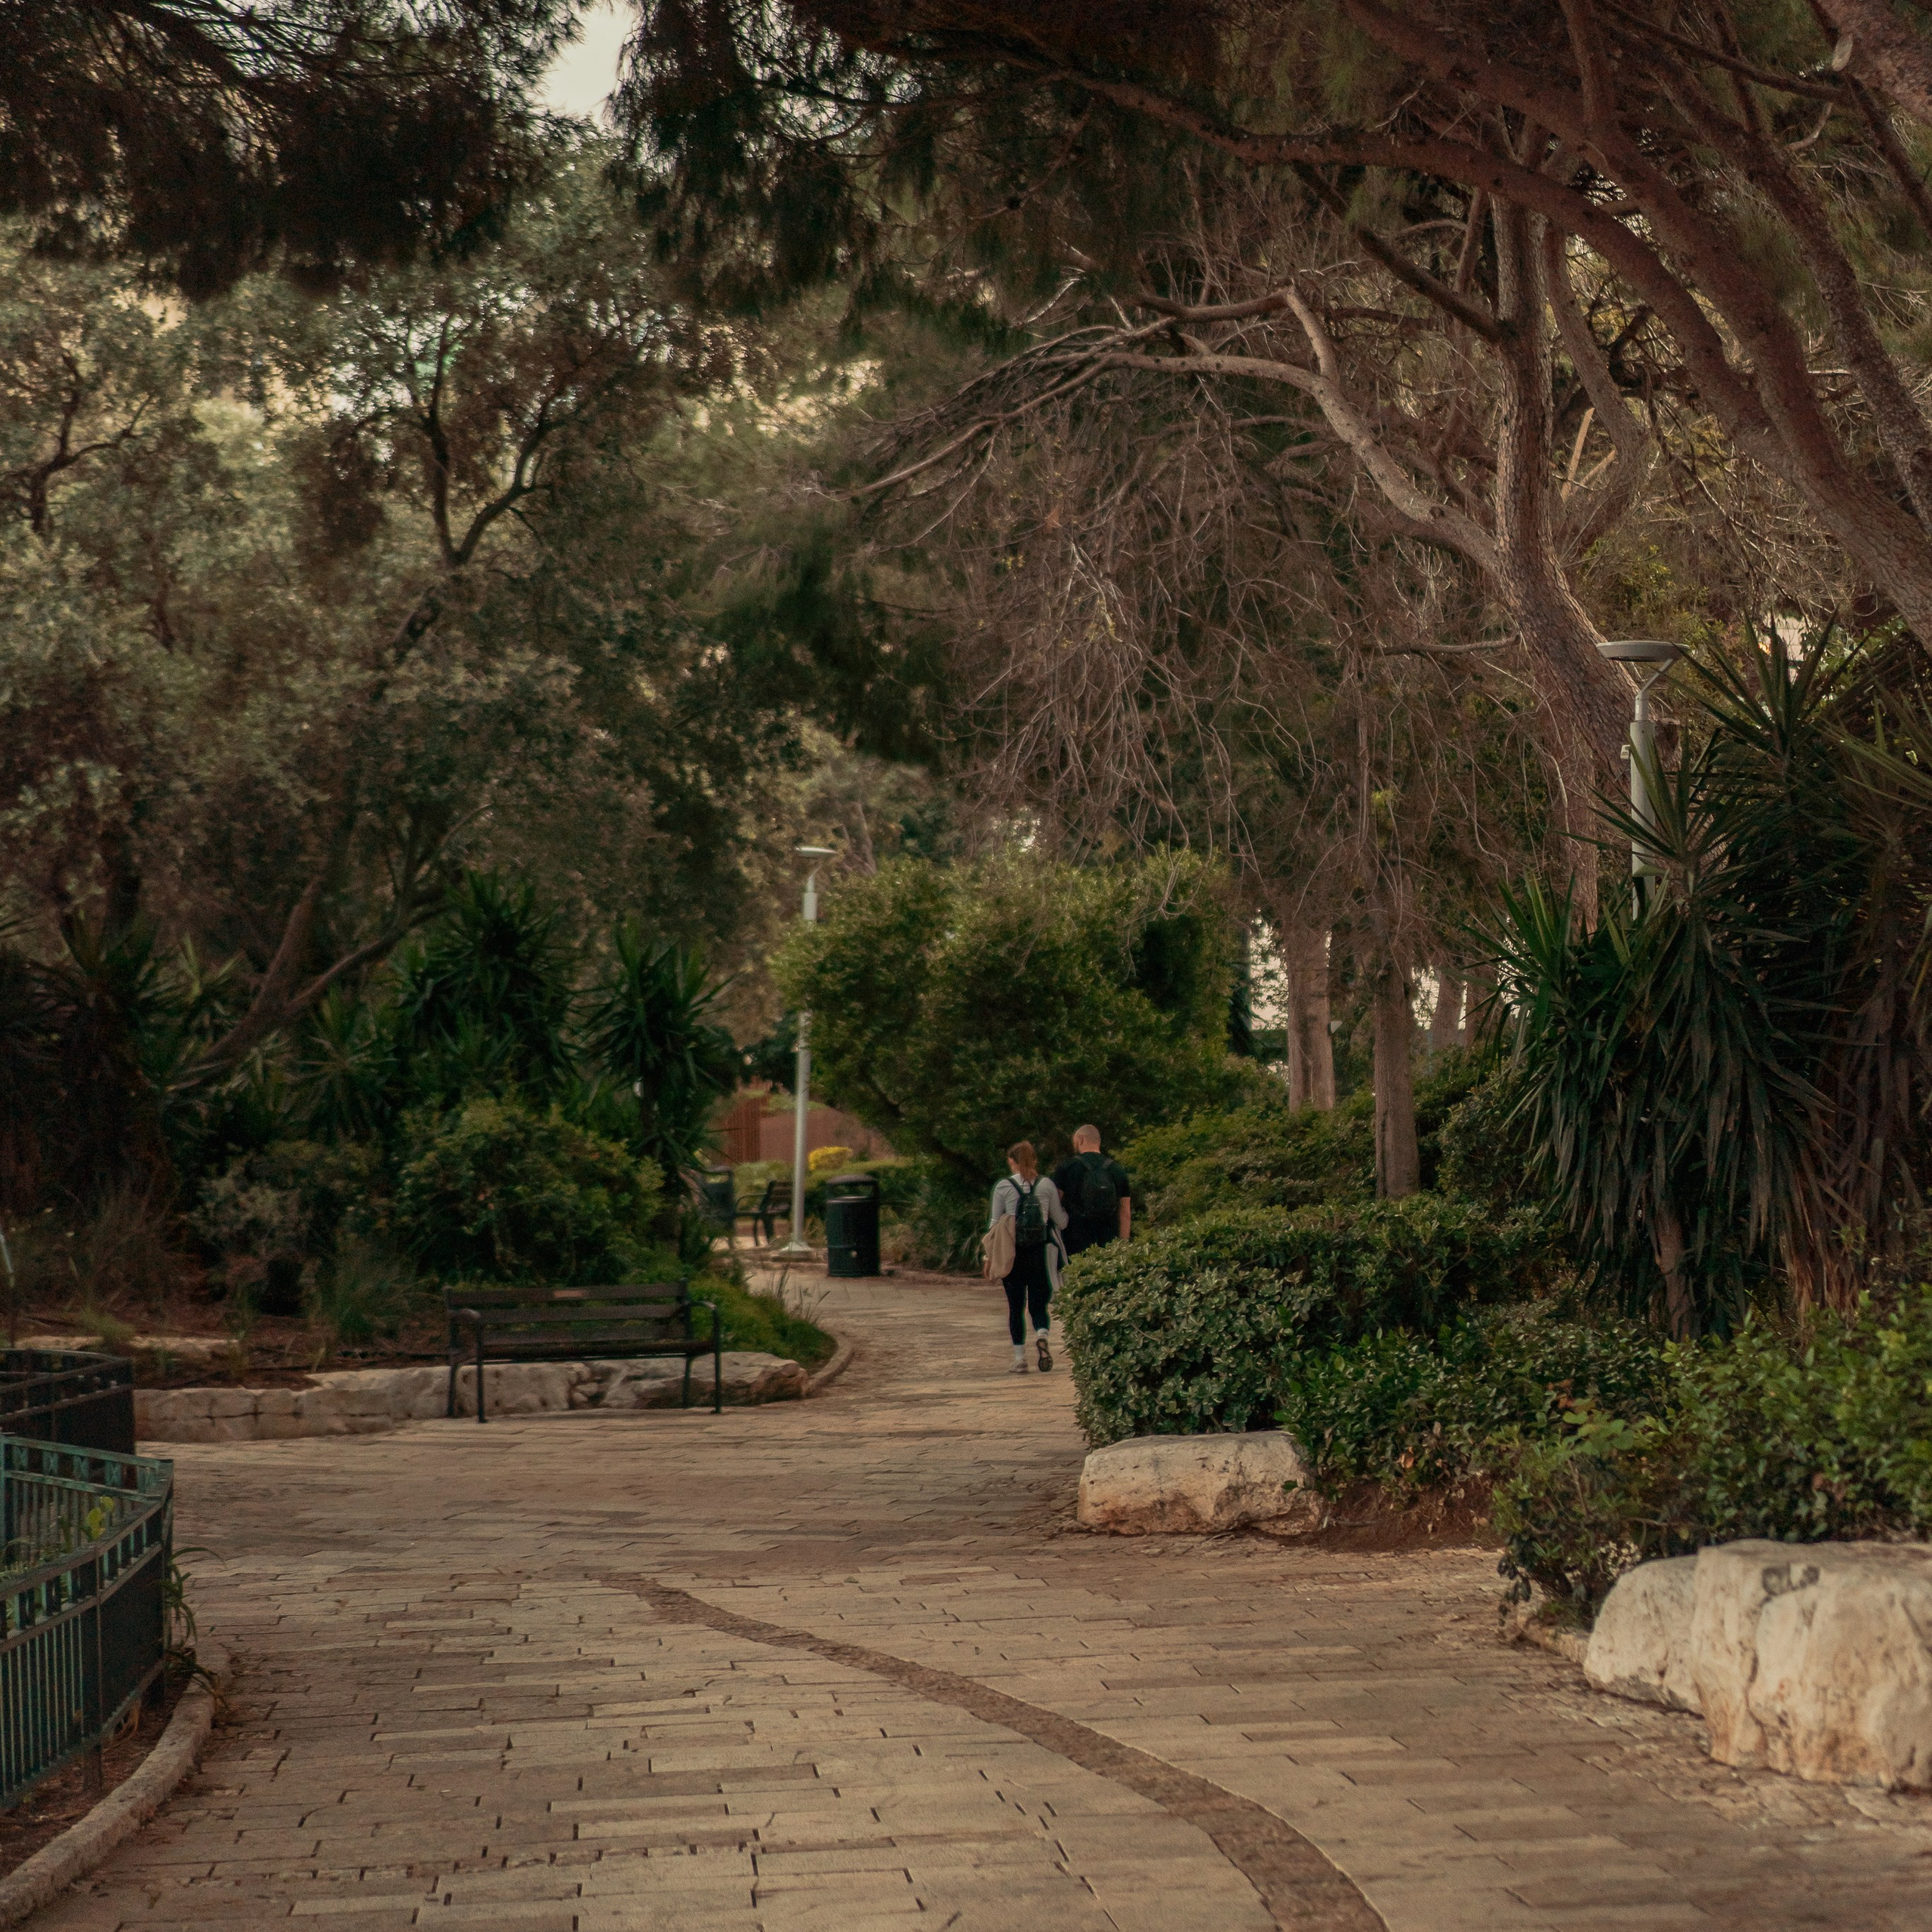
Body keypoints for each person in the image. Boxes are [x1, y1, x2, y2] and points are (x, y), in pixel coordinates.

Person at [987, 1140, 1066, 1374]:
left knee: (1015, 1307)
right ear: (1034, 1160)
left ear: (1012, 1162)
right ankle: (1042, 1336)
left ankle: (1020, 1359)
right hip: (1040, 1253)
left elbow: (994, 1225)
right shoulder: (1046, 1185)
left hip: (1013, 1253)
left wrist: (988, 1258)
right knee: (1038, 1305)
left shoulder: (1003, 1186)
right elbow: (1060, 1221)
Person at [1053, 1124, 1132, 1257]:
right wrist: (1123, 1246)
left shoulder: (1067, 1168)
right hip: (1109, 1243)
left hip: (1075, 1243)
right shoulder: (1117, 1170)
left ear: (1080, 1139)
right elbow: (1125, 1213)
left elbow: (1055, 1204)